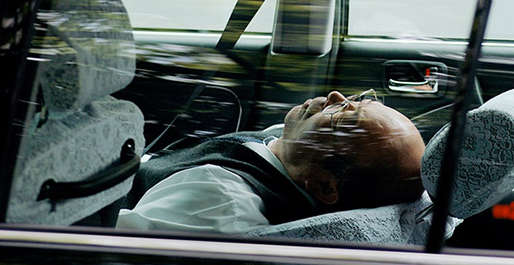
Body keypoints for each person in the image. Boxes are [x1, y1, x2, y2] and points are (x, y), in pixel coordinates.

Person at [116, 91, 425, 235]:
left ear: (324, 187)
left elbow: (105, 249)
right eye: (355, 100)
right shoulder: (286, 153)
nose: (334, 96)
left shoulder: (218, 199)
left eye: (342, 118)